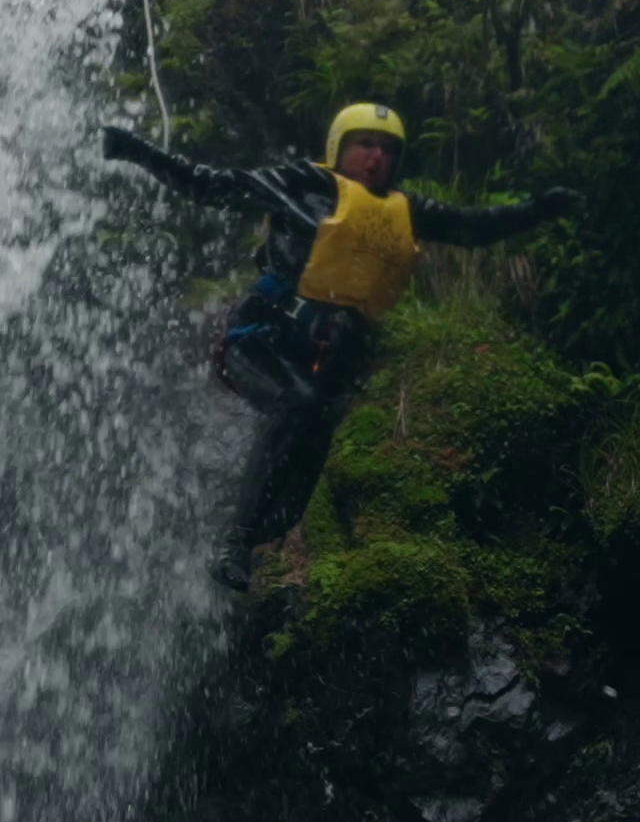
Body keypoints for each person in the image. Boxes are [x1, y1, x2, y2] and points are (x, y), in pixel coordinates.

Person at [101, 103, 580, 589]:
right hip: (259, 340)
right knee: (296, 405)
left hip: (326, 364)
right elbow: (209, 183)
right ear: (339, 147)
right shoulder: (302, 184)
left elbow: (471, 228)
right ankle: (235, 543)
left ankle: (259, 552)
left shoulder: (406, 209)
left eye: (388, 149)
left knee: (302, 468)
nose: (377, 156)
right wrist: (138, 151)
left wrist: (536, 211)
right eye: (365, 144)